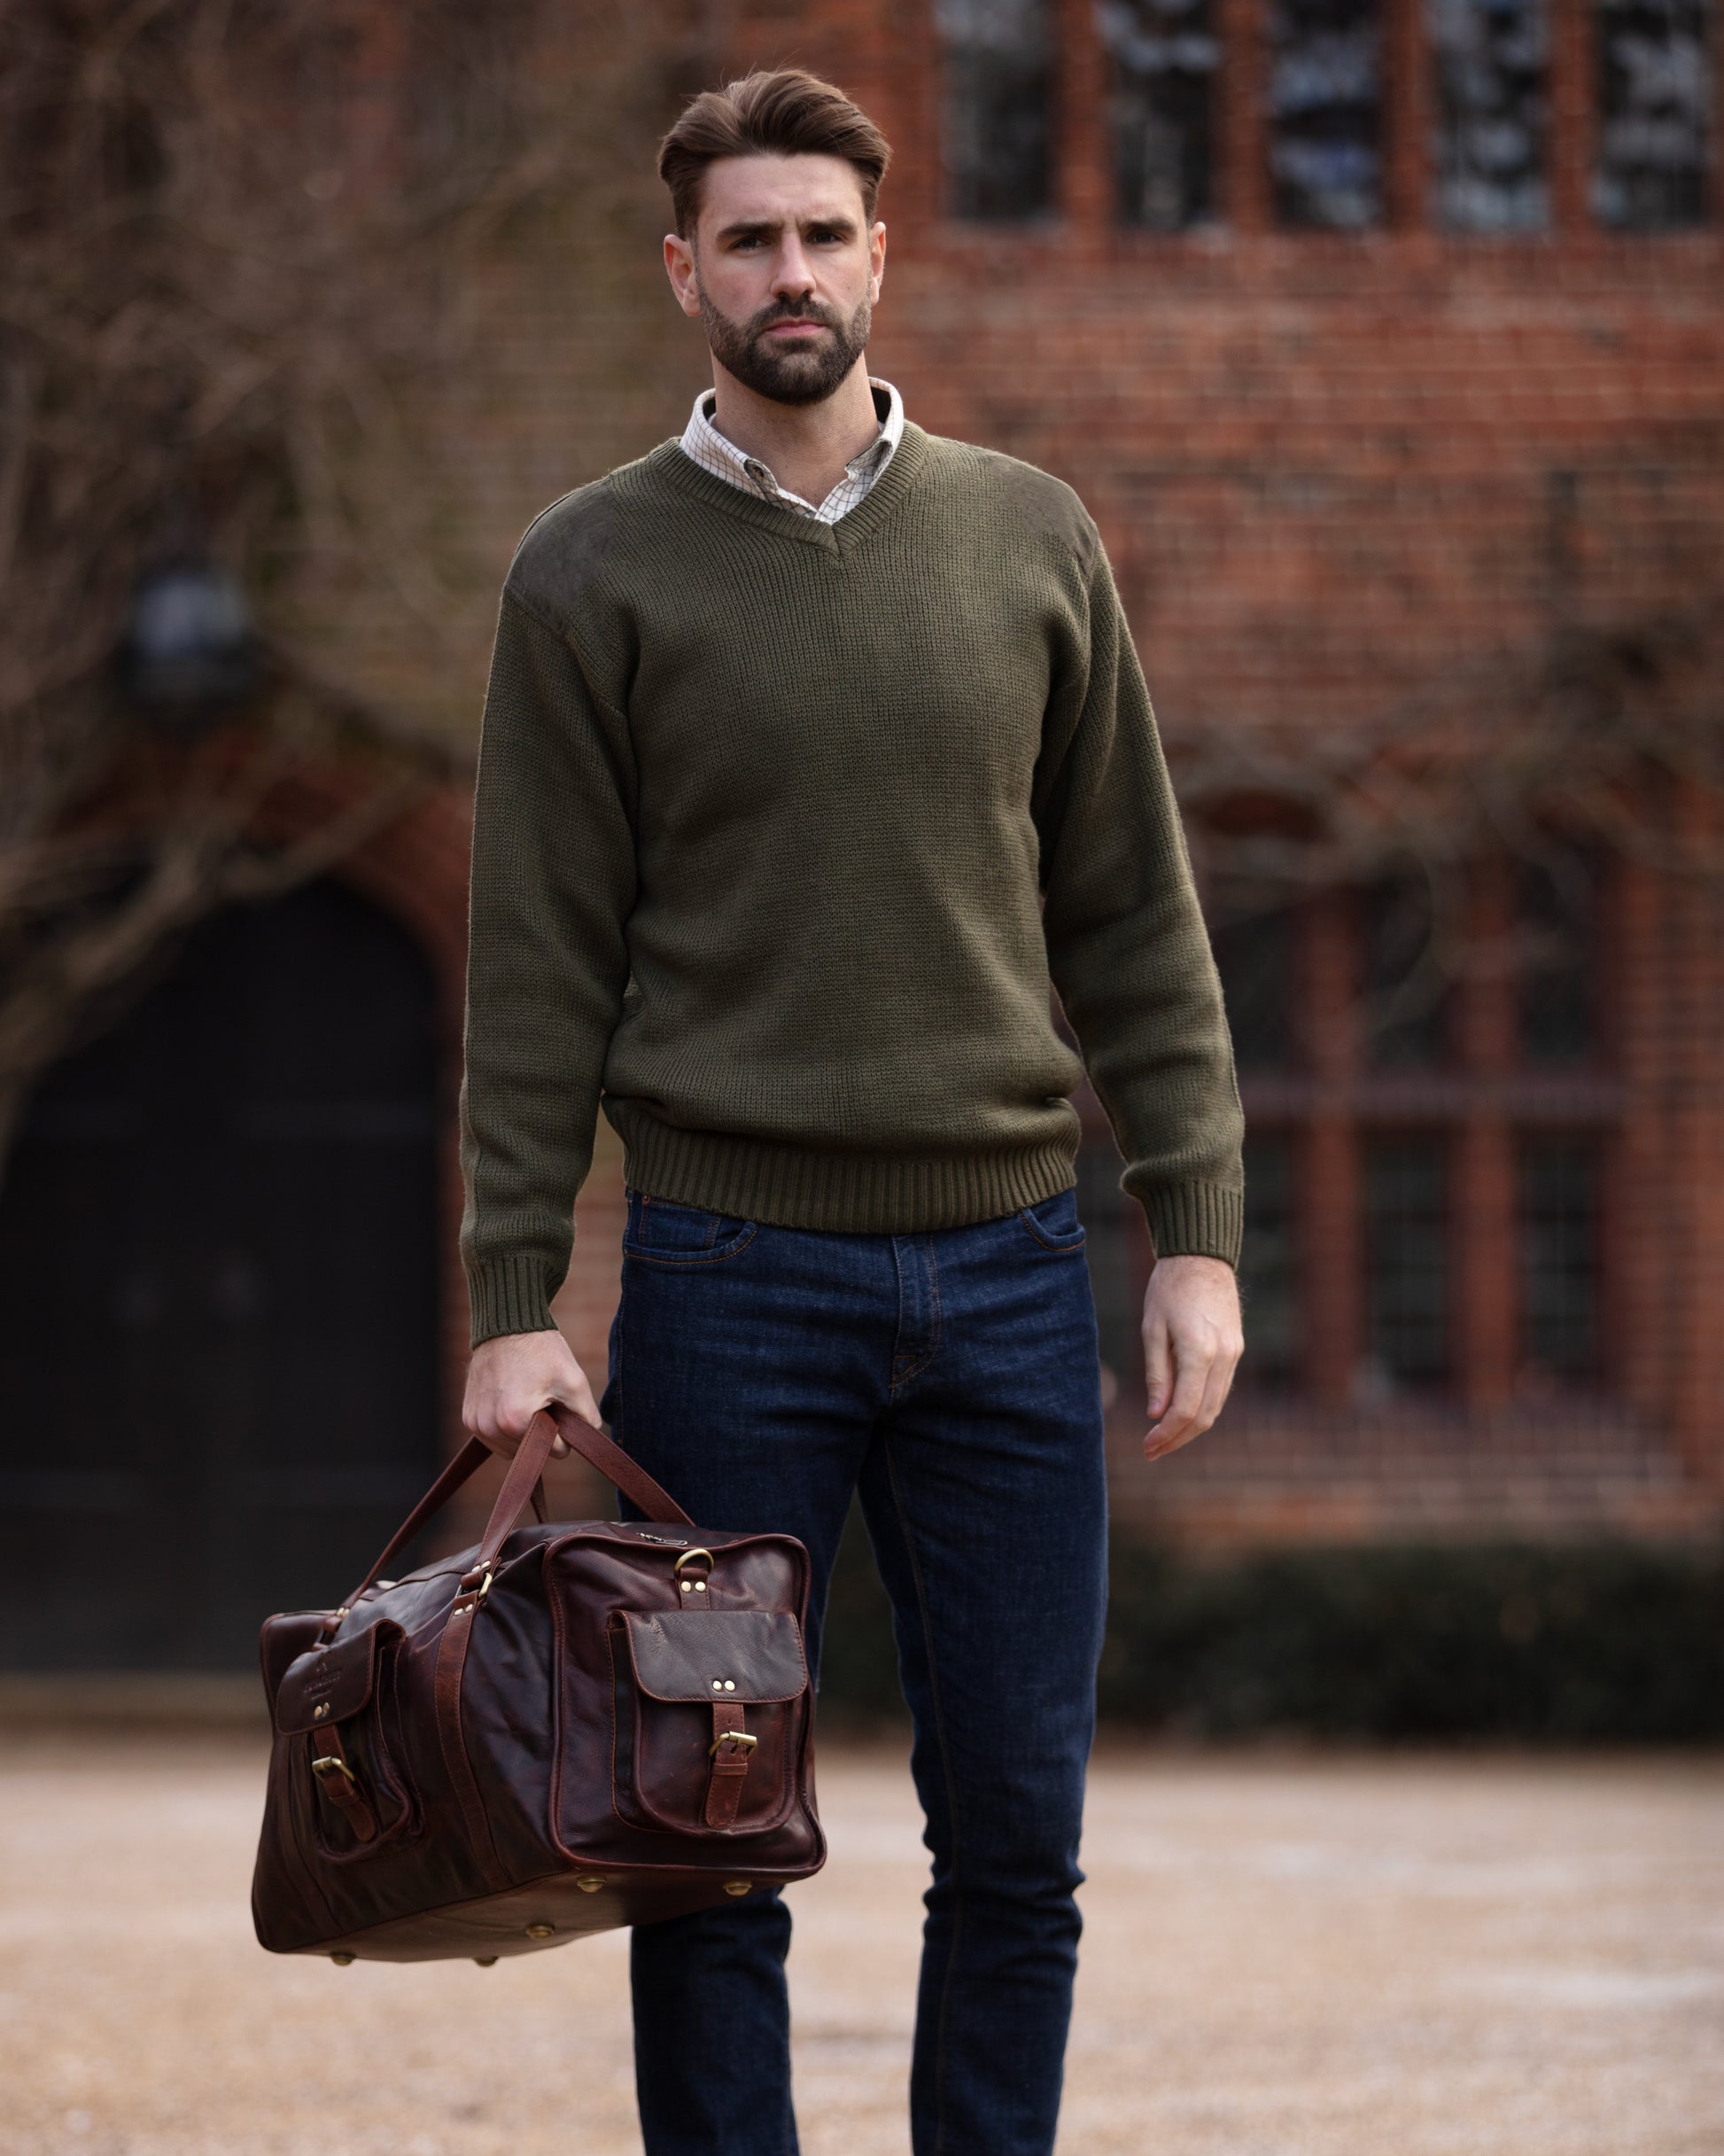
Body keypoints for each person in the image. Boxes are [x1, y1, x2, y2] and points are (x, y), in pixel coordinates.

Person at [458, 66, 1245, 2156]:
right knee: (700, 1843)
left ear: (878, 255)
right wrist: (517, 1286)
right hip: (725, 1285)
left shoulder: (1028, 537)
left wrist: (1193, 1222)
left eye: (821, 232)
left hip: (1008, 1275)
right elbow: (538, 964)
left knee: (1018, 1840)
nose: (787, 271)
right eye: (746, 239)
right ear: (682, 273)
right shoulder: (586, 571)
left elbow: (1136, 922)